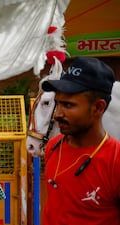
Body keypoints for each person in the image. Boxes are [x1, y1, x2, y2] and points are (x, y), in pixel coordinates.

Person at [41, 57, 120, 225]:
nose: (57, 114)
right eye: (57, 103)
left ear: (98, 107)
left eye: (68, 105)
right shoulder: (53, 147)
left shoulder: (115, 161)